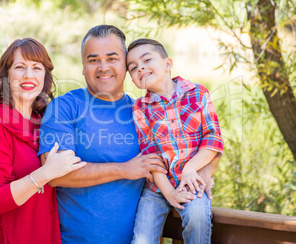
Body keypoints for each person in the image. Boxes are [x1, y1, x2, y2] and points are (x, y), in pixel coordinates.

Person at [38, 25, 217, 243]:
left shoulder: (144, 113)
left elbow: (200, 142)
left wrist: (205, 170)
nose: (103, 67)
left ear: (125, 65)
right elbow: (55, 175)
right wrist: (125, 169)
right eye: (93, 60)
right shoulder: (65, 107)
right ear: (83, 67)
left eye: (112, 58)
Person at [0, 38, 85, 244]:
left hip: (42, 232)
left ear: (45, 76)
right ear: (6, 75)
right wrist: (45, 173)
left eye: (36, 68)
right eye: (20, 67)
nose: (29, 75)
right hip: (6, 234)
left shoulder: (44, 122)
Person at [126, 38, 224, 244]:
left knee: (198, 219)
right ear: (133, 79)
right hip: (157, 188)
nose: (140, 67)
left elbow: (212, 139)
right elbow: (150, 155)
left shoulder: (198, 93)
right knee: (142, 239)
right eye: (133, 68)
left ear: (167, 64)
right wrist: (169, 193)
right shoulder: (140, 108)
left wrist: (190, 169)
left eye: (146, 60)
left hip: (192, 181)